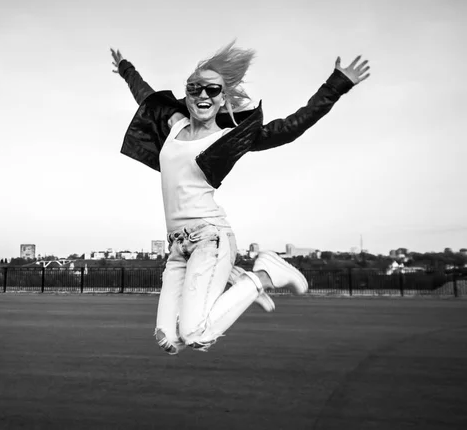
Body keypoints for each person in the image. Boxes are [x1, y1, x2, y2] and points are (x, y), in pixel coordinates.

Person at [111, 42, 369, 354]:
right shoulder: (173, 123)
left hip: (210, 238)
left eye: (212, 90)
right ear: (187, 94)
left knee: (195, 336)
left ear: (222, 97)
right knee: (168, 338)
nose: (203, 95)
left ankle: (264, 274)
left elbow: (290, 127)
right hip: (178, 246)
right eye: (195, 89)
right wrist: (126, 68)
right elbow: (145, 94)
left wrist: (337, 85)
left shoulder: (228, 136)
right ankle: (237, 279)